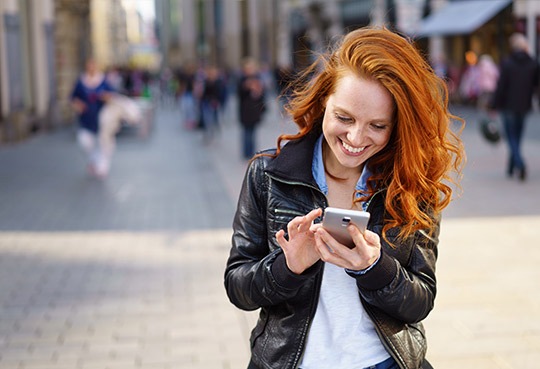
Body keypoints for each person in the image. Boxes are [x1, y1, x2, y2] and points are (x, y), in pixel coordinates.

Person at [224, 27, 464, 369]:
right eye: (344, 117)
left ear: (397, 125)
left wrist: (374, 268)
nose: (355, 137)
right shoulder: (268, 174)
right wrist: (288, 267)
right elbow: (238, 286)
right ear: (325, 101)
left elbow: (420, 300)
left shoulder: (412, 183)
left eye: (377, 126)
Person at [491, 33, 539, 181]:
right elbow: (537, 86)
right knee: (517, 136)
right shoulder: (533, 63)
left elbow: (501, 86)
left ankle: (519, 163)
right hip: (524, 105)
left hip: (508, 105)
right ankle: (512, 167)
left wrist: (494, 105)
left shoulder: (507, 63)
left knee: (511, 137)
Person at [70, 58, 114, 178]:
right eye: (89, 65)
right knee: (85, 142)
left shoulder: (104, 81)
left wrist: (105, 97)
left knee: (104, 143)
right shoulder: (81, 81)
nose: (91, 68)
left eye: (93, 65)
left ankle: (102, 166)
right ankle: (94, 160)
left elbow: (112, 96)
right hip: (86, 118)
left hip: (102, 118)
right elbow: (73, 98)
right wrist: (78, 105)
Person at [237, 58, 266, 160]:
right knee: (246, 132)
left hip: (254, 111)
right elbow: (239, 94)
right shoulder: (242, 80)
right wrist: (246, 87)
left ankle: (252, 152)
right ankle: (246, 152)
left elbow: (262, 95)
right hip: (245, 111)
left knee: (253, 132)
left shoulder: (258, 78)